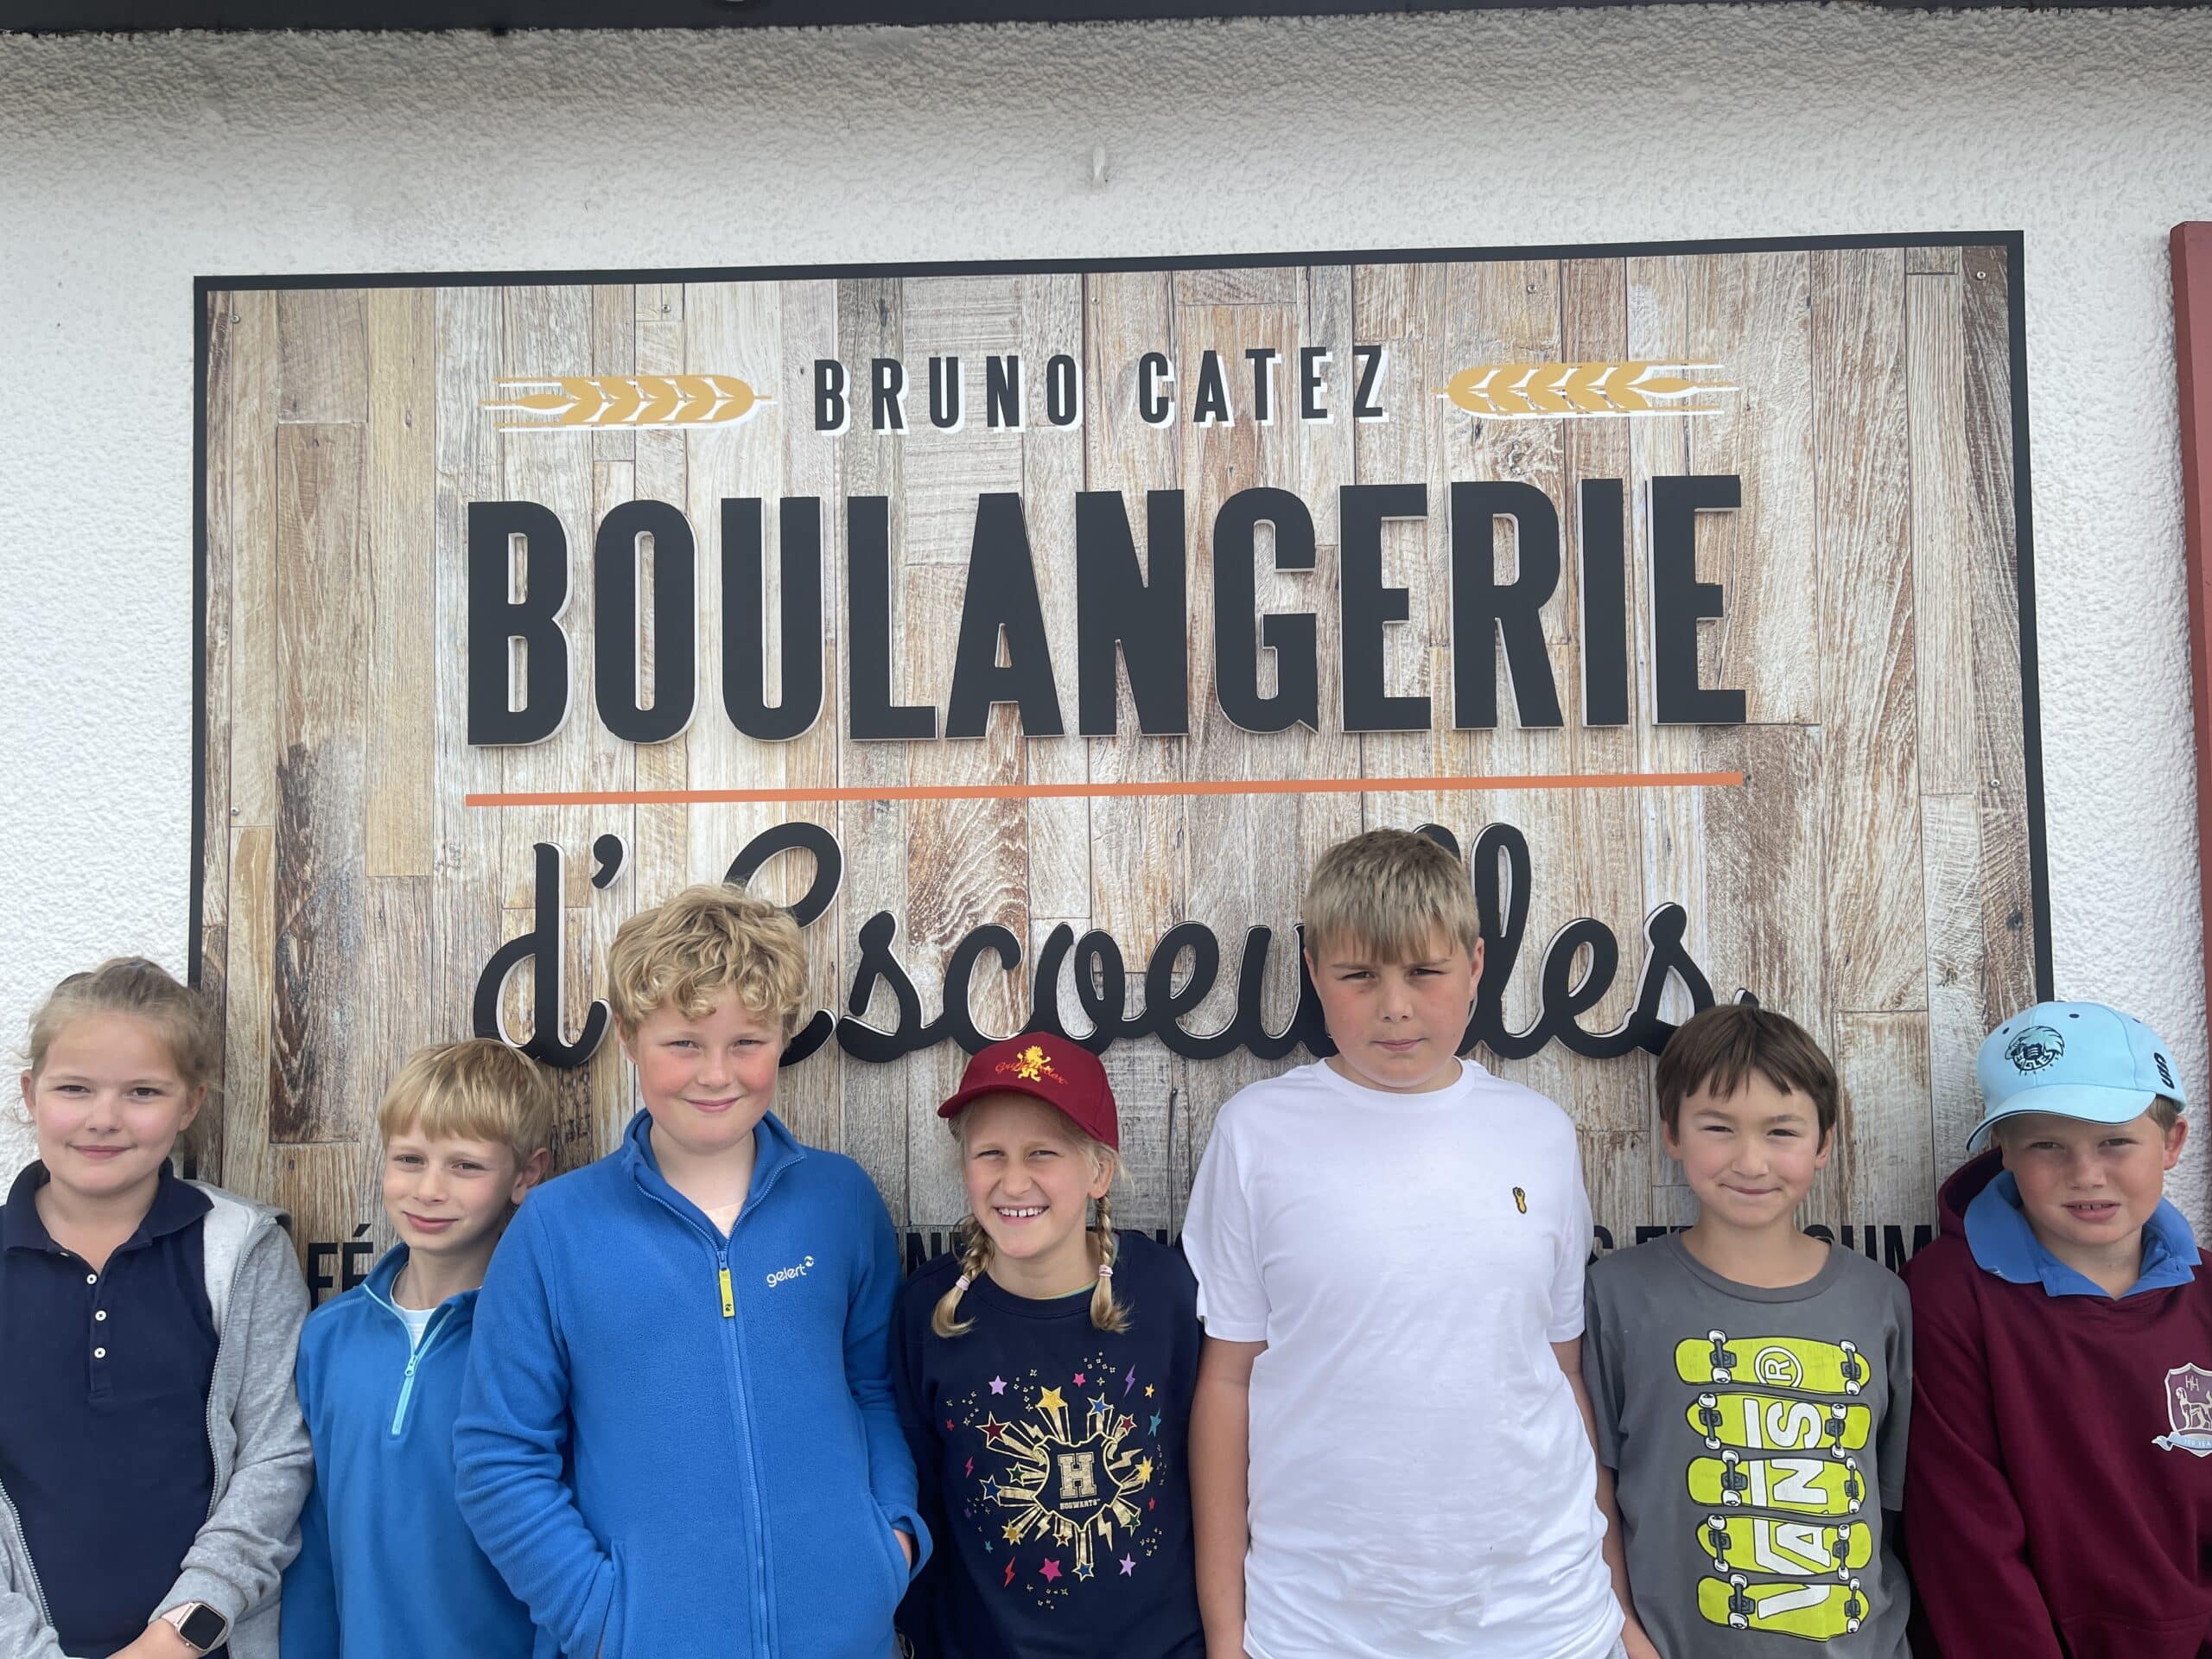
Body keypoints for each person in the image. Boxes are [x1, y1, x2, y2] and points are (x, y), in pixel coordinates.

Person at [1182, 827, 1627, 1659]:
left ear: (1476, 965)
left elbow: (1561, 1373)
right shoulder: (1256, 1134)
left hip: (1543, 1616)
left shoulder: (1539, 1133)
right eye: (1359, 976)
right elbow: (1228, 1382)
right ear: (1315, 972)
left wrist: (1619, 1607)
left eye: (1425, 972)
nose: (1394, 1005)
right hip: (1318, 1623)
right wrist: (1226, 1633)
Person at [454, 881, 925, 1659]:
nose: (716, 1074)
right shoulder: (555, 1228)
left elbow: (876, 1390)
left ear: (782, 1038)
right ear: (629, 1038)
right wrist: (604, 1620)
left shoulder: (840, 1200)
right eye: (683, 1044)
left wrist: (889, 1546)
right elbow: (498, 1456)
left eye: (746, 1042)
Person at [1, 957, 311, 1659]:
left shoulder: (242, 1250)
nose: (104, 1119)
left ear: (190, 1104)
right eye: (74, 1088)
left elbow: (277, 1455)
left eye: (142, 1092)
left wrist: (177, 1636)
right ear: (30, 1093)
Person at [1582, 1002, 1911, 1656]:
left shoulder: (1880, 1299)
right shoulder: (1616, 1295)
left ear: (1823, 1143)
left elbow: (1893, 1502)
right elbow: (1592, 1495)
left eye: (1781, 1132)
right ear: (1672, 1133)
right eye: (1718, 1128)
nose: (1751, 1162)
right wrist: (1624, 1633)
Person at [1906, 999, 2211, 1656]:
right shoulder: (1946, 1299)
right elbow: (1965, 1541)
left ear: (2172, 1143)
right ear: (2005, 1152)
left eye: (2115, 1141)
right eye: (2047, 1144)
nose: (2086, 1175)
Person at [893, 1034, 1203, 1659]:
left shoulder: (1166, 1293)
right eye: (991, 1154)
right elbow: (918, 1498)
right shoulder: (927, 1311)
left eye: (1043, 1153)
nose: (1014, 1182)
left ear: (1098, 1171)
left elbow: (1211, 1472)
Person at [280, 1039, 556, 1657]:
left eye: (466, 1166)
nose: (429, 1189)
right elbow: (314, 1543)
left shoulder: (540, 1341)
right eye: (409, 1159)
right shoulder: (328, 1338)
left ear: (526, 1175)